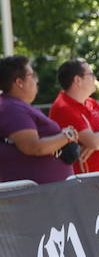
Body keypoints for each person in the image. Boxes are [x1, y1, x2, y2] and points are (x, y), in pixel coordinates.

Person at [0, 55, 78, 185]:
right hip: (37, 197)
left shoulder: (18, 106)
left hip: (46, 194)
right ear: (19, 82)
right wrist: (67, 135)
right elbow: (33, 146)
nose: (37, 80)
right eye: (32, 75)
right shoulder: (13, 108)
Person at [48, 59, 99, 174]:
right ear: (78, 80)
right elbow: (95, 142)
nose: (95, 78)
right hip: (84, 183)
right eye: (91, 75)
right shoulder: (63, 107)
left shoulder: (92, 103)